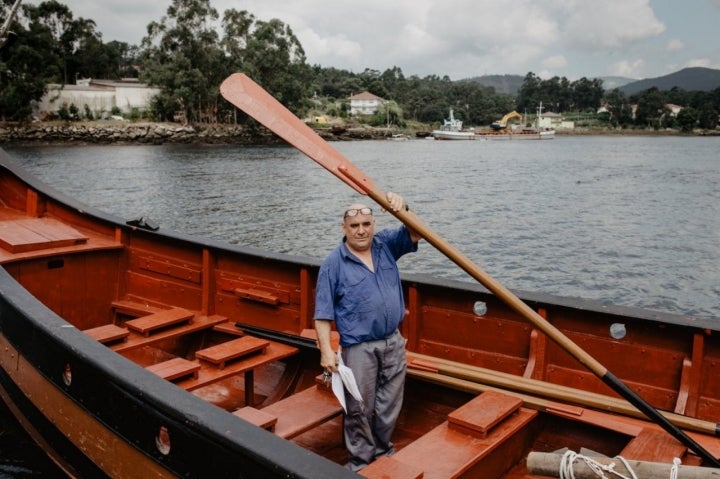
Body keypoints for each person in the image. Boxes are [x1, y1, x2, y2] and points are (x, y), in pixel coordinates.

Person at [313, 192, 421, 472]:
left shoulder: (385, 245)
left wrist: (403, 207)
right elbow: (322, 314)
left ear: (373, 224)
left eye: (366, 224)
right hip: (359, 348)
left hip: (394, 342)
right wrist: (326, 351)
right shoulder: (333, 264)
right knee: (360, 408)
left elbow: (416, 232)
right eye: (354, 226)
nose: (361, 230)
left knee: (389, 404)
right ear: (344, 229)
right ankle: (360, 463)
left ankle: (383, 453)